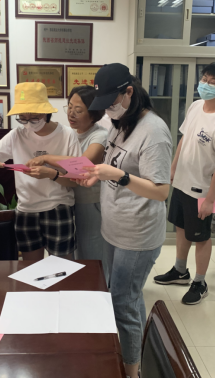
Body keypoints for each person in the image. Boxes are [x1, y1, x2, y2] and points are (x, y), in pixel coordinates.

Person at [76, 63, 172, 378]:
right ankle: (136, 354)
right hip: (114, 228)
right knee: (127, 297)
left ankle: (132, 372)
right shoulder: (121, 123)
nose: (109, 111)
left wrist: (119, 176)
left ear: (129, 92)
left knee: (123, 303)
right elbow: (114, 163)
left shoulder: (153, 131)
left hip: (137, 233)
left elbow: (160, 190)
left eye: (112, 102)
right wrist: (98, 174)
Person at [154, 62, 215, 306]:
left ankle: (200, 282)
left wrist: (210, 199)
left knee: (201, 237)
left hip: (203, 191)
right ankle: (180, 271)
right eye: (204, 79)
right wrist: (173, 167)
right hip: (182, 183)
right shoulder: (195, 106)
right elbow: (184, 138)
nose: (205, 84)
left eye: (212, 82)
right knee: (181, 227)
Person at [0, 82, 82, 261]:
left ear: (46, 112)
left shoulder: (67, 135)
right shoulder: (17, 135)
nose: (28, 123)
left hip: (58, 207)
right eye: (23, 118)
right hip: (26, 210)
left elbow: (76, 180)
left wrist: (51, 174)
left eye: (34, 117)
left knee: (63, 268)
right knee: (31, 268)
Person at [26, 86, 108, 263]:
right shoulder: (70, 134)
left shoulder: (100, 136)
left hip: (89, 201)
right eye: (69, 107)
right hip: (69, 199)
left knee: (90, 253)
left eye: (78, 110)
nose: (71, 114)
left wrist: (46, 158)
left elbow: (82, 164)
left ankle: (96, 281)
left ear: (94, 114)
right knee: (75, 254)